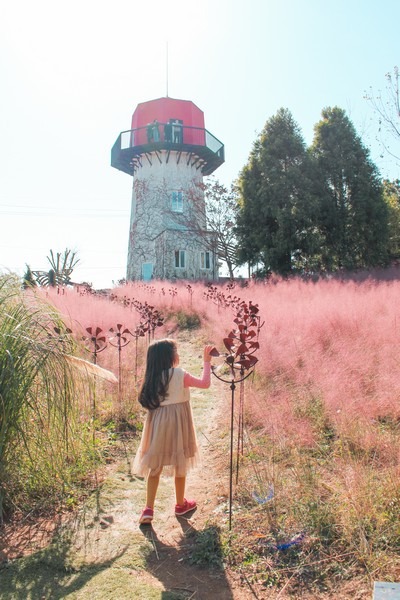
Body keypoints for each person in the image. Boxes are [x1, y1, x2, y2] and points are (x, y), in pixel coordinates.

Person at [132, 339, 214, 524]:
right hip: (179, 423)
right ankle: (180, 504)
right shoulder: (179, 374)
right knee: (180, 462)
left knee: (155, 466)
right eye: (176, 350)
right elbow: (205, 384)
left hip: (158, 424)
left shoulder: (151, 378)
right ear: (170, 357)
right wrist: (206, 362)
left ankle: (148, 509)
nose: (178, 354)